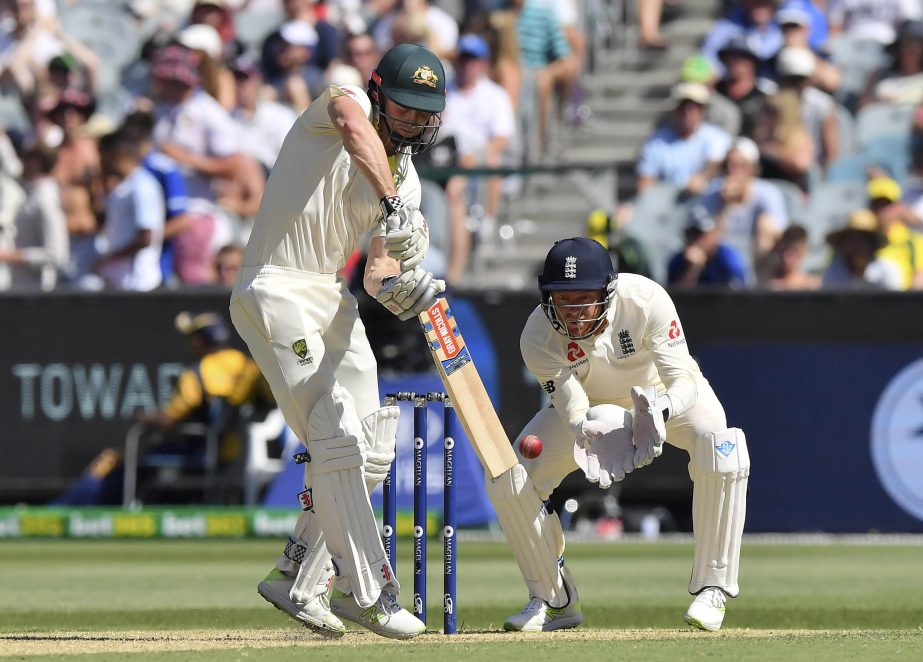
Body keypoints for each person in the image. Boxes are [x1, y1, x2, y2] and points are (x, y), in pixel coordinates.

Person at [229, 43, 447, 640]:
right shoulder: (342, 100)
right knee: (334, 434)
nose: (412, 122)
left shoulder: (407, 180)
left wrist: (402, 292)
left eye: (423, 114)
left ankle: (297, 576)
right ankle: (367, 592)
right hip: (274, 286)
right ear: (379, 94)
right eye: (403, 109)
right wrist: (392, 201)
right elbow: (356, 129)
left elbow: (377, 273)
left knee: (374, 441)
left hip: (331, 295)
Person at [487, 237, 749, 633]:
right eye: (562, 299)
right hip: (592, 407)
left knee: (722, 447)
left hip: (664, 395)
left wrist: (656, 413)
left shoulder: (646, 299)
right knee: (510, 478)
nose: (572, 312)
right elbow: (572, 407)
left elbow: (683, 381)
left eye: (583, 298)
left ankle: (713, 588)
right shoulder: (537, 335)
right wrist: (585, 428)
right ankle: (553, 600)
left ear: (608, 291)